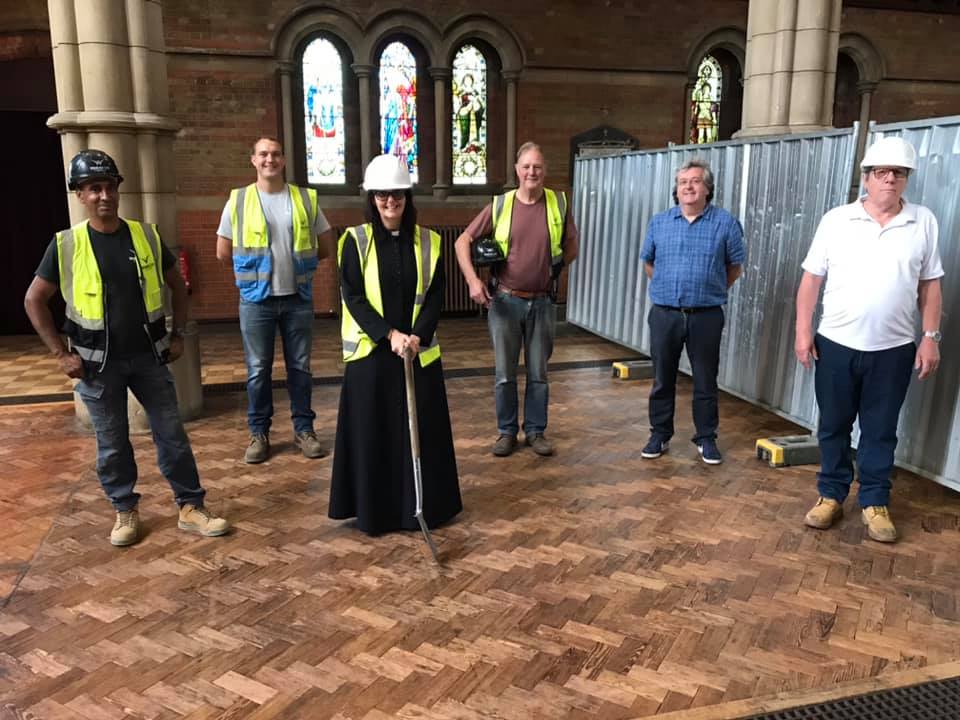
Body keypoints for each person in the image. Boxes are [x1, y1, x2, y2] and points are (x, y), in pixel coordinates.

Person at [23, 150, 229, 547]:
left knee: (171, 435)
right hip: (97, 367)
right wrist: (60, 354)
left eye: (109, 186)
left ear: (119, 189)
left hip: (150, 357)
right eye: (93, 188)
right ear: (80, 195)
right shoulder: (66, 245)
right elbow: (34, 299)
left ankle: (190, 506)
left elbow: (177, 285)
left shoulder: (145, 236)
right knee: (113, 443)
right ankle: (125, 510)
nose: (104, 195)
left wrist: (180, 332)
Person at [795, 136, 943, 543]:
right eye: (882, 172)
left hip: (893, 349)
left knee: (880, 429)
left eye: (898, 173)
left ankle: (875, 502)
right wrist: (803, 331)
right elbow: (811, 280)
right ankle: (830, 495)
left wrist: (930, 337)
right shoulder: (837, 220)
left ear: (906, 179)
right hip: (837, 345)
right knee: (834, 426)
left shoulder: (922, 221)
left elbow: (930, 285)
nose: (890, 180)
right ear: (866, 178)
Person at [328, 154, 462, 535]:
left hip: (418, 353)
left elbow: (436, 295)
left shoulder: (430, 242)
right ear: (372, 198)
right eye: (383, 196)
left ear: (408, 197)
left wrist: (417, 335)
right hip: (373, 355)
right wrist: (389, 335)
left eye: (398, 195)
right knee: (376, 433)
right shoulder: (354, 242)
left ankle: (422, 507)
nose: (391, 203)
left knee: (421, 432)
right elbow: (352, 297)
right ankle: (377, 511)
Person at [454, 142, 579, 457]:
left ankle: (536, 431)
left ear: (544, 170)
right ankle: (507, 432)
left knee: (539, 373)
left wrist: (554, 269)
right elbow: (462, 241)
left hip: (543, 303)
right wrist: (472, 280)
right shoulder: (500, 205)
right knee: (505, 374)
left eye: (537, 167)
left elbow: (572, 245)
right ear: (517, 170)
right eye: (526, 166)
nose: (532, 172)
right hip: (505, 303)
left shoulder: (559, 203)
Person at [216, 137, 334, 463]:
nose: (270, 159)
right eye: (263, 154)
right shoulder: (238, 201)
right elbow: (223, 252)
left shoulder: (304, 199)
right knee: (257, 370)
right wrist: (256, 272)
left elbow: (326, 244)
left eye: (276, 154)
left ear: (283, 160)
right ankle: (258, 433)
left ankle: (304, 431)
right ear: (253, 160)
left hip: (297, 298)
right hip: (257, 301)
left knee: (300, 368)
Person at [639, 158, 745, 465]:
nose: (688, 186)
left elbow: (734, 267)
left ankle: (706, 438)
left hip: (706, 316)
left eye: (695, 181)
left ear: (707, 189)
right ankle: (659, 434)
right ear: (676, 189)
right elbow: (649, 263)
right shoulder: (659, 222)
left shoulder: (725, 223)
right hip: (665, 314)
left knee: (705, 379)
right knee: (662, 378)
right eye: (683, 181)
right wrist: (668, 288)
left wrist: (710, 290)